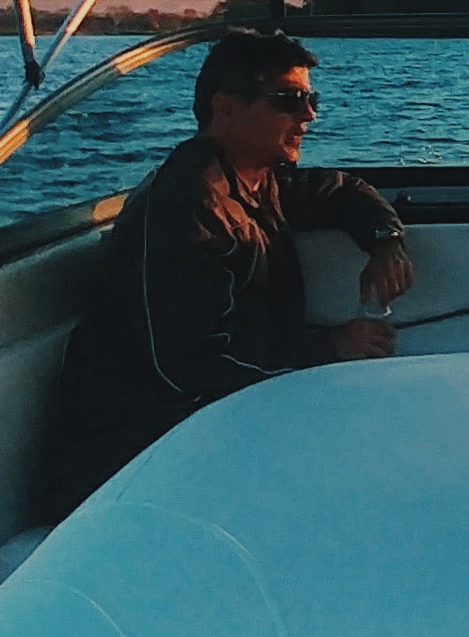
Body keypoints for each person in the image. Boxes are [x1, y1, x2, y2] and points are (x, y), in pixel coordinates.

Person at [36, 29, 416, 520]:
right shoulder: (191, 205)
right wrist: (331, 347)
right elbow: (190, 362)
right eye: (289, 100)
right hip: (128, 460)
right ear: (227, 108)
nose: (309, 115)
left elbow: (337, 190)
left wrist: (385, 239)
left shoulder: (252, 181)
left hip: (200, 426)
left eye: (310, 99)